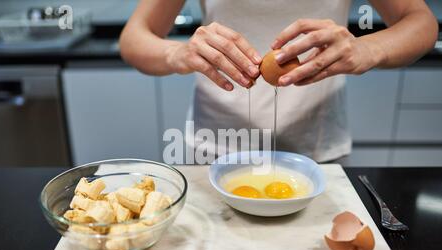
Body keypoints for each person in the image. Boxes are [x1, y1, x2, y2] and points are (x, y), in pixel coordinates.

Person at [120, 0, 438, 162]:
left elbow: (420, 20)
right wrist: (179, 54)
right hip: (214, 150)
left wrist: (367, 48)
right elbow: (134, 37)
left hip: (317, 151)